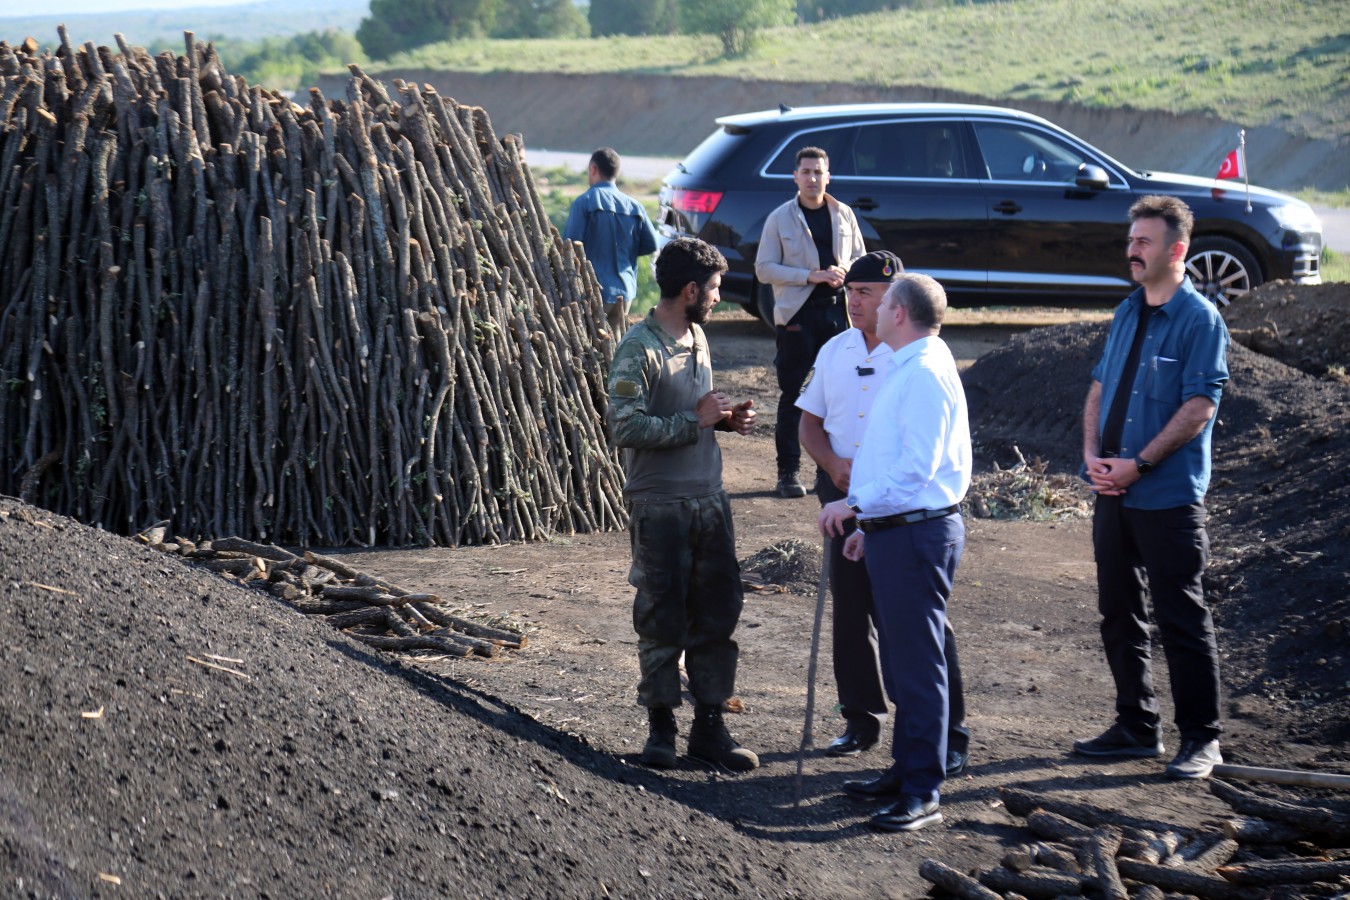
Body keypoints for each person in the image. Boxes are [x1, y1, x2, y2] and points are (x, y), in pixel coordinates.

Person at [1073, 195, 1230, 780]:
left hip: (1166, 497)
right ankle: (1136, 726)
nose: (1132, 249)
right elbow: (1097, 388)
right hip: (1112, 493)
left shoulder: (1199, 320)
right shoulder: (1126, 311)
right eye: (1131, 239)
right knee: (1118, 612)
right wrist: (1093, 456)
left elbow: (1199, 407)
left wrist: (1138, 462)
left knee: (1181, 618)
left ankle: (1202, 740)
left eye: (1143, 241)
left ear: (1177, 250)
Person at [797, 252, 971, 777]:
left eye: (868, 293)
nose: (854, 303)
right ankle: (868, 725)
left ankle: (937, 749)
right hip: (861, 504)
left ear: (895, 306)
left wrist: (858, 500)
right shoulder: (837, 351)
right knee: (854, 614)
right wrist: (835, 470)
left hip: (895, 509)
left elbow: (915, 465)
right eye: (849, 291)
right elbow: (809, 420)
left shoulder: (917, 367)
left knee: (918, 635)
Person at [606, 236, 759, 772]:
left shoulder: (697, 335)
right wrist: (693, 420)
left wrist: (726, 421)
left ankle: (710, 728)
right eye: (714, 289)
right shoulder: (639, 348)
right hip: (660, 507)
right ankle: (662, 730)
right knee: (661, 619)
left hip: (708, 501)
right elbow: (623, 426)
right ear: (690, 289)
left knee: (717, 617)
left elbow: (698, 415)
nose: (719, 298)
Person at [754, 146, 866, 499]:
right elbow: (764, 269)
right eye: (806, 172)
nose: (813, 178)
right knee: (794, 396)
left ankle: (828, 471)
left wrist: (845, 272)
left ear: (828, 176)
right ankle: (787, 473)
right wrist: (811, 275)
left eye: (819, 172)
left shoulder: (844, 214)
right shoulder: (780, 218)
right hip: (797, 317)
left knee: (837, 396)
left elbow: (861, 259)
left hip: (838, 315)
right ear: (796, 177)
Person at [564, 147, 659, 337]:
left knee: (590, 345)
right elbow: (652, 244)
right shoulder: (635, 206)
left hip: (593, 290)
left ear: (593, 169)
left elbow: (569, 246)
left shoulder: (584, 202)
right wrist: (626, 252)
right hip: (625, 291)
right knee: (616, 344)